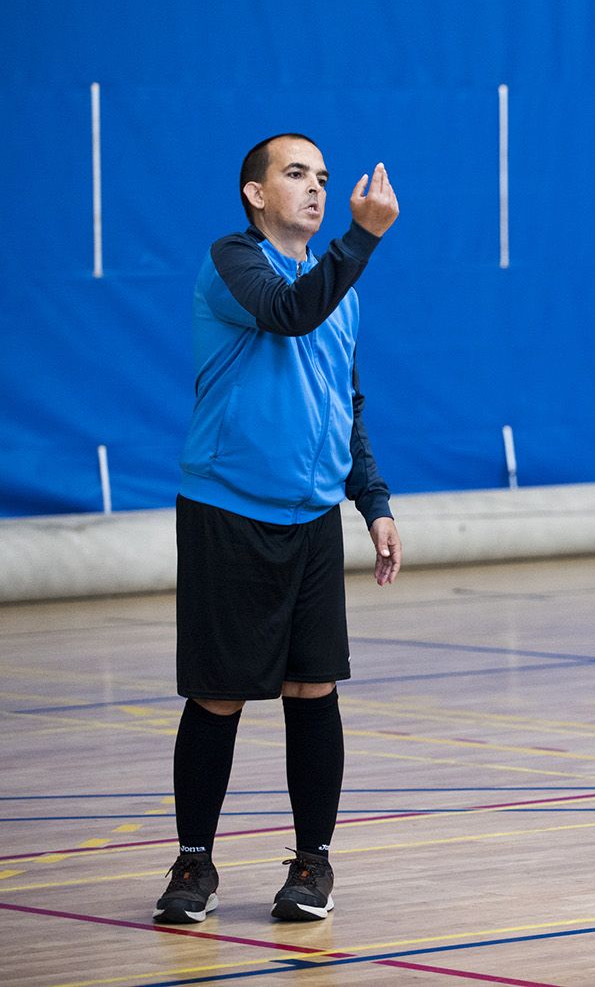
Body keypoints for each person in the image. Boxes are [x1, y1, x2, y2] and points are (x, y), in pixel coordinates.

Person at [153, 134, 402, 924]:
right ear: (256, 193)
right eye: (297, 174)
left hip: (312, 522)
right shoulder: (234, 260)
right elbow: (287, 314)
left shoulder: (342, 292)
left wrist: (375, 504)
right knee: (219, 694)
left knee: (313, 689)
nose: (316, 187)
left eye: (324, 178)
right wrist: (361, 237)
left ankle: (312, 865)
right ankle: (195, 864)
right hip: (229, 509)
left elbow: (345, 407)